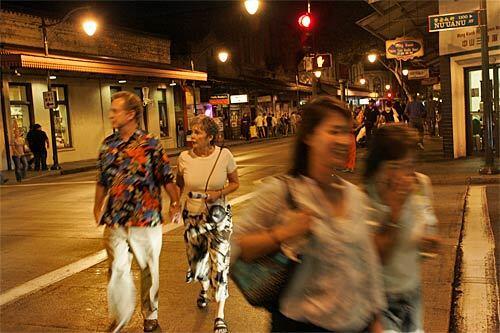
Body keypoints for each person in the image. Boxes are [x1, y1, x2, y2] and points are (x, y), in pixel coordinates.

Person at [233, 96, 385, 333]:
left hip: (357, 322)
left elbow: (367, 265)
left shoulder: (354, 196)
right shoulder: (282, 191)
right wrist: (283, 233)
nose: (344, 140)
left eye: (347, 132)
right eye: (334, 131)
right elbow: (236, 246)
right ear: (309, 136)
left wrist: (376, 319)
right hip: (301, 325)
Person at [93, 91, 180, 333]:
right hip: (116, 219)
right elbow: (102, 180)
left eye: (115, 110)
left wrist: (175, 202)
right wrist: (97, 205)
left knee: (149, 270)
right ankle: (120, 316)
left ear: (130, 114)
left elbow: (166, 177)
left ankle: (150, 315)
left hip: (146, 219)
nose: (111, 114)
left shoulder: (151, 144)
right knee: (117, 269)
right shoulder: (108, 145)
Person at [363, 125, 441, 333]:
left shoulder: (421, 184)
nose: (407, 174)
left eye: (411, 164)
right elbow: (375, 258)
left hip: (412, 293)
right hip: (381, 302)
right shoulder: (366, 196)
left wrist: (428, 242)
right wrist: (394, 213)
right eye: (398, 165)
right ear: (380, 165)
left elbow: (425, 236)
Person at [177, 115, 239, 333]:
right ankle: (204, 288)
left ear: (210, 137)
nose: (192, 136)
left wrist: (218, 193)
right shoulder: (184, 158)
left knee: (220, 263)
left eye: (197, 133)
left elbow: (235, 183)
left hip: (219, 217)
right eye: (192, 132)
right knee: (197, 261)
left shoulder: (224, 155)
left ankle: (219, 314)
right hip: (192, 217)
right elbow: (179, 184)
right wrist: (175, 204)